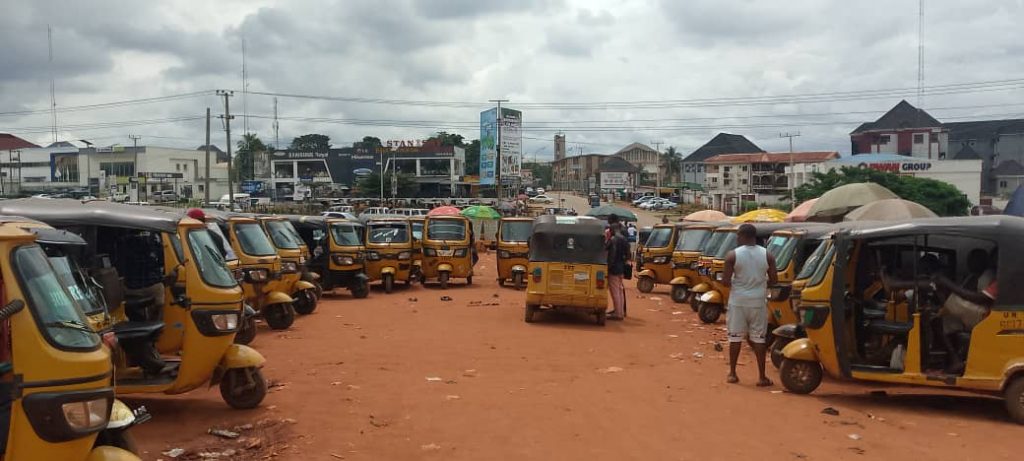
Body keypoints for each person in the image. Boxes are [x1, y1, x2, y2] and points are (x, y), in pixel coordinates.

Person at [722, 224, 777, 386]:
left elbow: (725, 282)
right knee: (759, 340)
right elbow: (774, 280)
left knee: (735, 337)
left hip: (738, 301)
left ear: (742, 236)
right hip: (758, 302)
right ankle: (761, 377)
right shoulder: (768, 255)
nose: (737, 239)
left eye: (738, 236)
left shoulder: (732, 255)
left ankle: (732, 373)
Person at [605, 222, 630, 320]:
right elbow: (628, 255)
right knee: (619, 290)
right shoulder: (624, 239)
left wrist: (609, 267)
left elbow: (609, 253)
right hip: (621, 267)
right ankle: (619, 311)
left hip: (614, 268)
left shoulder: (613, 240)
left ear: (611, 230)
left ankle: (618, 313)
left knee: (615, 291)